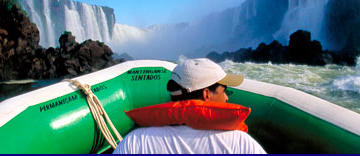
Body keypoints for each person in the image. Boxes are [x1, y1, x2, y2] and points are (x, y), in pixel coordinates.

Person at [113, 58, 266, 154]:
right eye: (224, 91)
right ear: (207, 94)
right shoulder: (240, 143)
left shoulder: (136, 141)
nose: (226, 98)